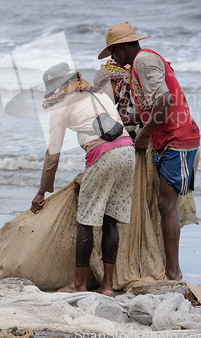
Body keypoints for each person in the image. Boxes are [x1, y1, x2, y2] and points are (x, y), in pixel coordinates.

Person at [98, 22, 200, 281]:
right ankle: (168, 268)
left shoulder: (143, 60)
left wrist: (142, 136)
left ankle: (173, 274)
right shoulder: (137, 67)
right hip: (164, 139)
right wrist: (123, 118)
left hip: (176, 139)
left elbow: (164, 102)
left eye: (113, 52)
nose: (112, 58)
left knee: (166, 206)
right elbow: (149, 107)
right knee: (164, 206)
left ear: (122, 47)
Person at [30, 62, 135, 295]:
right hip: (128, 153)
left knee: (86, 221)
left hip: (103, 155)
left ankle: (79, 284)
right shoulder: (100, 96)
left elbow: (52, 156)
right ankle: (108, 286)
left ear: (58, 89)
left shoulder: (60, 108)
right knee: (110, 220)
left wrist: (42, 191)